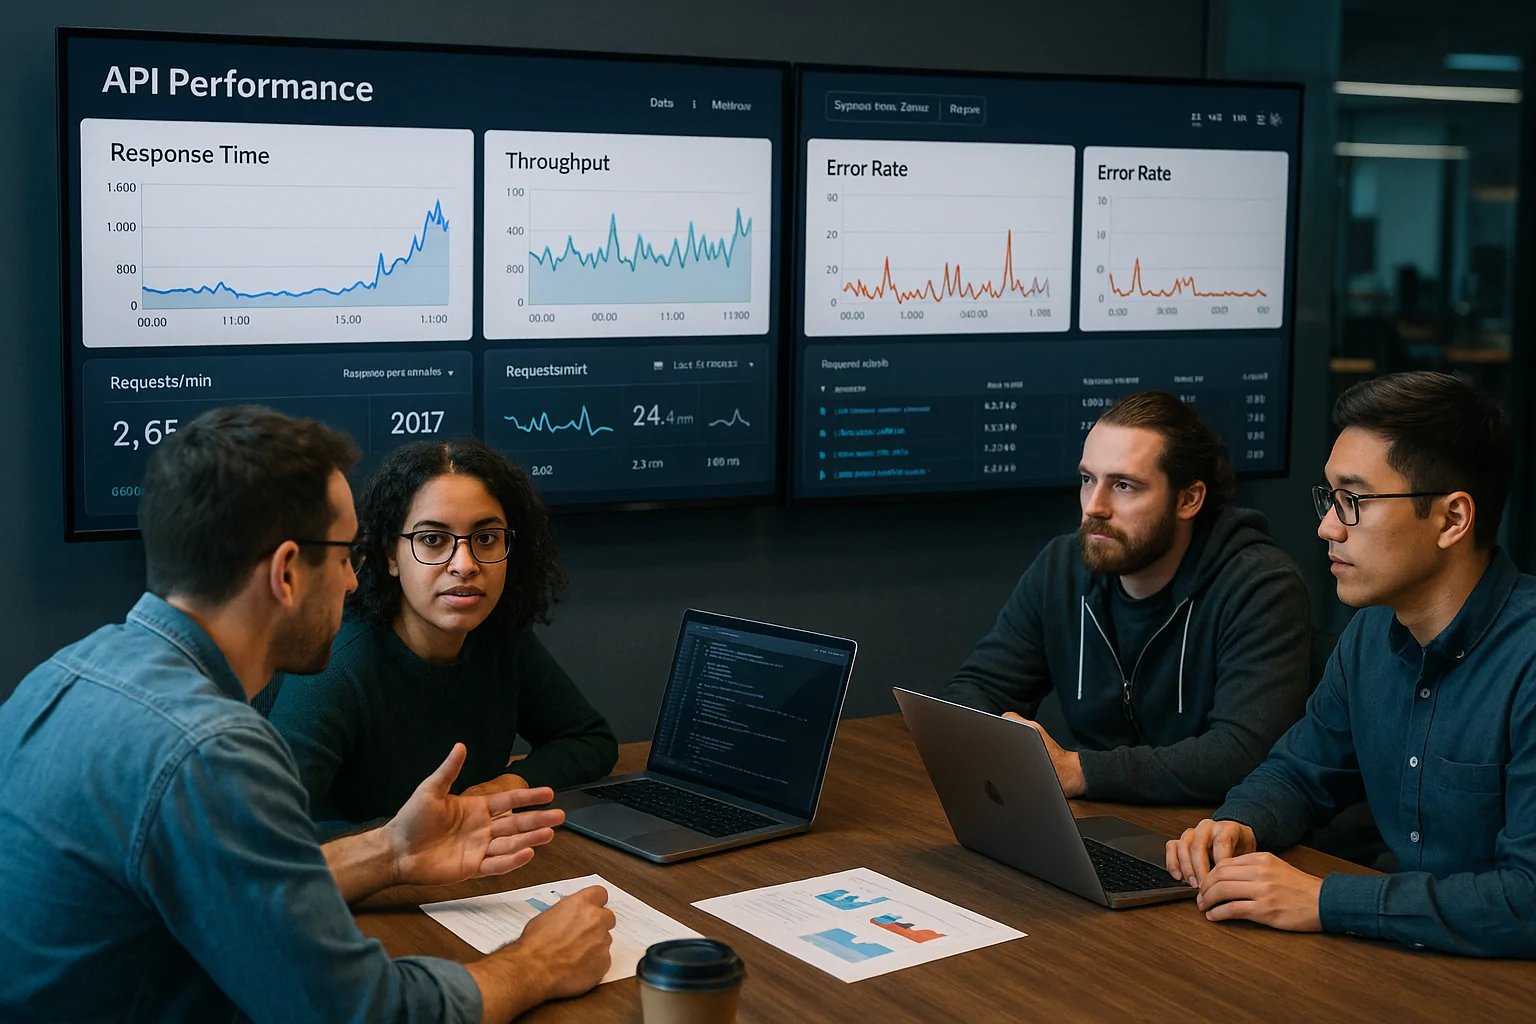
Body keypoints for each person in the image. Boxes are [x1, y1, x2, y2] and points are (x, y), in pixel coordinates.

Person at [0, 406, 616, 1022]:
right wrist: (537, 963)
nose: (354, 583)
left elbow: (251, 895)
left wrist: (392, 853)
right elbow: (362, 1013)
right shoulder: (210, 751)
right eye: (345, 556)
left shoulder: (65, 673)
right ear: (288, 572)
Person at [1167, 372, 1536, 958]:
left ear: (1452, 519)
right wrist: (1238, 824)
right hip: (1411, 961)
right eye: (1330, 498)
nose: (1327, 526)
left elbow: (1527, 901)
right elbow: (1300, 771)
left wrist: (1322, 902)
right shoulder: (1370, 633)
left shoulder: (1528, 661)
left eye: (1354, 501)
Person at [944, 391, 1310, 804]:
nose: (1095, 507)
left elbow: (1242, 754)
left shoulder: (1259, 585)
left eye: (1124, 486)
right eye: (1088, 480)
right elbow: (977, 690)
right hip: (1093, 817)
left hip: (1209, 834)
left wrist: (1079, 771)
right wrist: (1004, 741)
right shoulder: (1061, 568)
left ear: (1189, 499)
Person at [256, 439, 617, 840]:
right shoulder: (338, 665)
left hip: (463, 875)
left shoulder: (500, 639)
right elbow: (262, 834)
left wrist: (505, 787)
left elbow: (589, 740)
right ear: (391, 556)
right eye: (433, 540)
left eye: (485, 539)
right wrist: (427, 831)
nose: (464, 565)